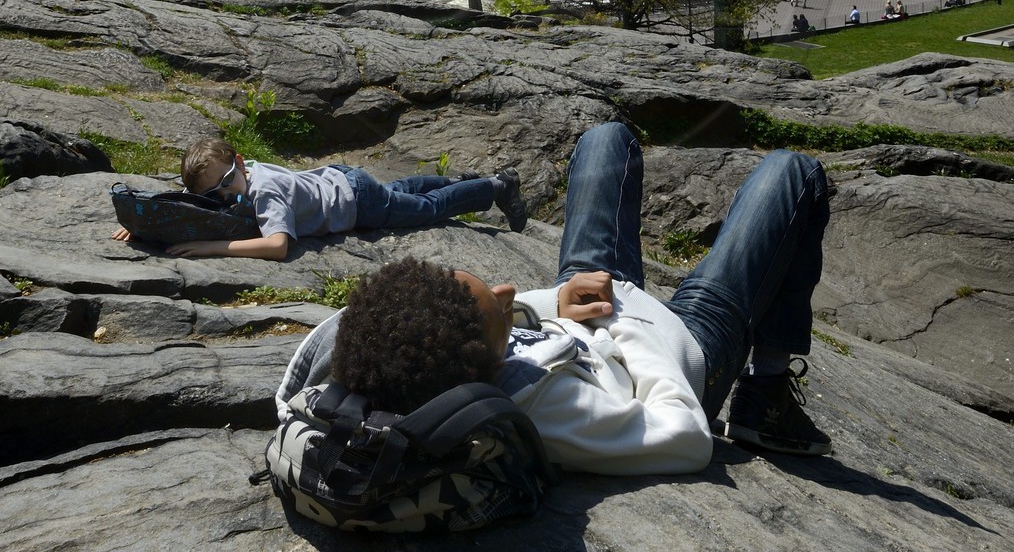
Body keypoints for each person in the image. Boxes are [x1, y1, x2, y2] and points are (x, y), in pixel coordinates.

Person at [276, 123, 833, 468]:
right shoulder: (556, 412)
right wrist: (628, 330)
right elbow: (686, 437)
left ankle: (579, 302)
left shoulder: (423, 360)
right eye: (497, 307)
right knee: (794, 171)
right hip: (679, 344)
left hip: (585, 308)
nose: (508, 288)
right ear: (491, 365)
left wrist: (551, 305)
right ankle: (766, 394)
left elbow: (328, 356)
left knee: (604, 139)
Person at [112, 138, 527, 260]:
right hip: (346, 181)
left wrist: (210, 247)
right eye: (212, 192)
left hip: (355, 204)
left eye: (225, 182)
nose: (221, 195)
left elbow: (277, 246)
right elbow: (190, 199)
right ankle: (459, 180)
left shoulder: (262, 190)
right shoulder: (233, 175)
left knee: (426, 210)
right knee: (399, 192)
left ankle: (494, 186)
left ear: (239, 163)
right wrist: (147, 222)